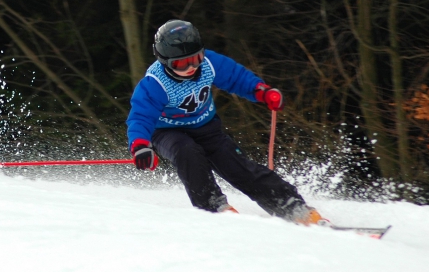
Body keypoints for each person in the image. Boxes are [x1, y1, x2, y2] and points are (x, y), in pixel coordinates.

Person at [126, 19, 326, 224]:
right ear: (164, 61)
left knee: (234, 164)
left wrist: (262, 92)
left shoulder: (209, 64)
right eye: (181, 64)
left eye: (195, 58)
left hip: (206, 128)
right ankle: (212, 206)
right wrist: (141, 146)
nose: (191, 67)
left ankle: (290, 205)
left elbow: (236, 77)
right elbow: (141, 116)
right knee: (187, 152)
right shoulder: (155, 83)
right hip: (167, 132)